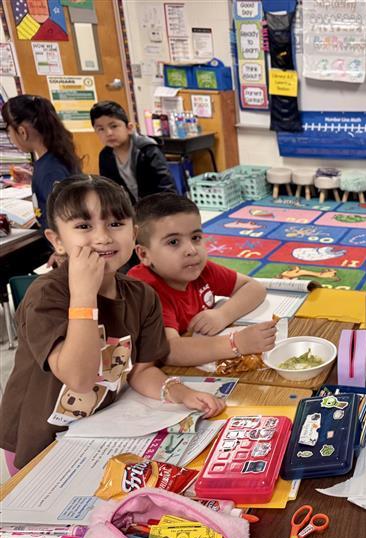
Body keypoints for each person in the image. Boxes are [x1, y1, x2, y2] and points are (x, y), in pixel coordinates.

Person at [0, 175, 224, 474]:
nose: (103, 237)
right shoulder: (47, 295)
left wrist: (179, 392)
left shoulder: (140, 294)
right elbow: (79, 379)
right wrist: (83, 295)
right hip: (39, 442)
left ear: (134, 233)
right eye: (83, 226)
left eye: (116, 224)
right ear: (57, 241)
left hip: (97, 431)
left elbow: (142, 370)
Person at [128, 193, 277, 366]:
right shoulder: (146, 289)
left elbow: (254, 288)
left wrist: (223, 314)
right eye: (174, 242)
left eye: (195, 237)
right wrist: (237, 343)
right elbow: (170, 351)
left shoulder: (199, 269)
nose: (191, 250)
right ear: (144, 254)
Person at [1, 95, 82, 269]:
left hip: (68, 255)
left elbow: (68, 214)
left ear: (22, 131)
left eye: (9, 131)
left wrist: (63, 251)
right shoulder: (51, 161)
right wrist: (33, 179)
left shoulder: (50, 169)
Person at [90, 100, 176, 203]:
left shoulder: (147, 149)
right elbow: (109, 192)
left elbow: (166, 187)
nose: (108, 133)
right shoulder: (105, 156)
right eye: (101, 129)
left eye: (114, 126)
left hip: (157, 209)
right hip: (129, 213)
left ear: (129, 128)